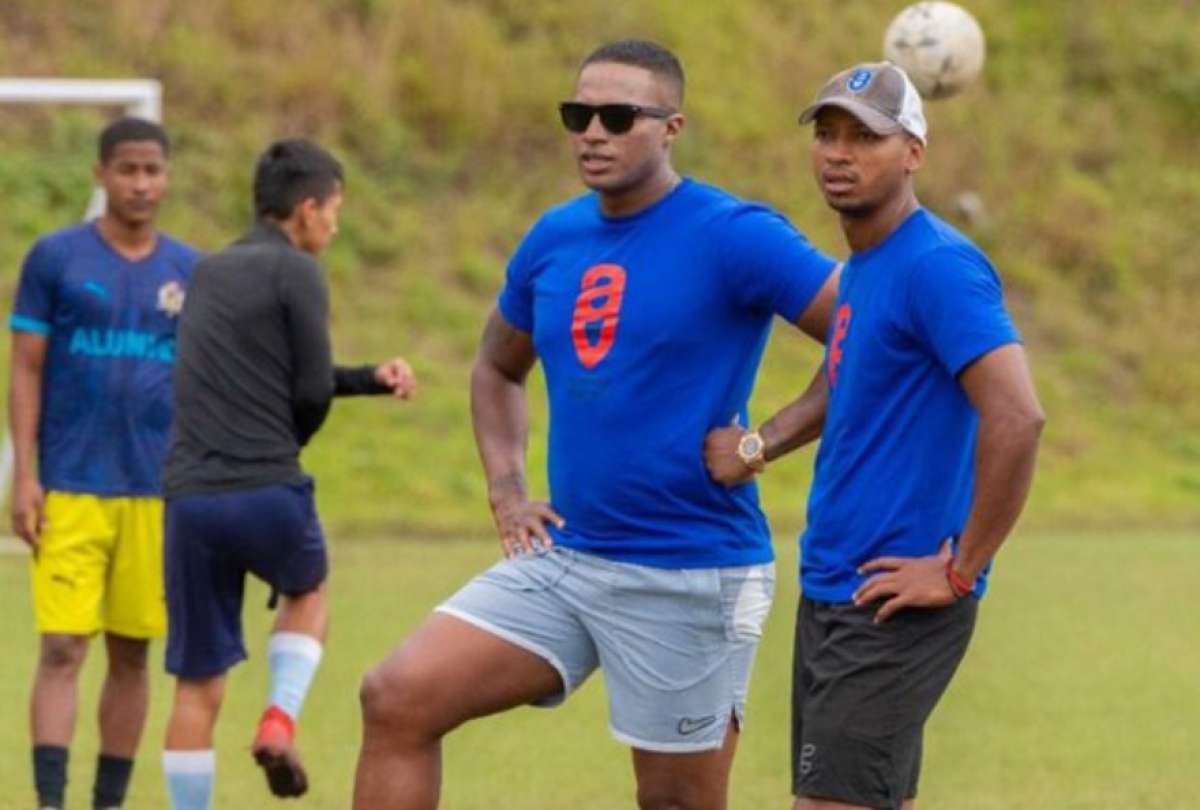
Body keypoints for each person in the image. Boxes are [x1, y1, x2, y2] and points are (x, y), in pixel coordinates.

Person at [352, 39, 839, 810]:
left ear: (671, 127)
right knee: (397, 697)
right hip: (569, 558)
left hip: (689, 571)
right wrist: (508, 489)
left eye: (618, 116)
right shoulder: (555, 236)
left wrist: (763, 441)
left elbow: (870, 335)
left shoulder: (734, 233)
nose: (594, 132)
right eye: (578, 115)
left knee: (673, 802)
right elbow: (496, 367)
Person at [704, 62, 1046, 810]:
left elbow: (1018, 417)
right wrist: (758, 445)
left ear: (913, 152)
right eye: (827, 133)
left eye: (866, 136)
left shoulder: (938, 266)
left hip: (897, 600)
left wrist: (960, 570)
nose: (838, 152)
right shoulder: (866, 266)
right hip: (835, 584)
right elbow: (843, 375)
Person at [158, 138, 417, 809]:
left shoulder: (208, 272)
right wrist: (281, 450)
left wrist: (368, 379)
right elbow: (305, 392)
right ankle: (278, 719)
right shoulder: (299, 273)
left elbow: (262, 380)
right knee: (310, 592)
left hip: (189, 497)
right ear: (306, 210)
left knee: (196, 684)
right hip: (266, 486)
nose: (334, 224)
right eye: (333, 211)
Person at [8, 116, 201, 810]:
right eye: (127, 169)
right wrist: (23, 475)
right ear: (101, 174)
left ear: (167, 176)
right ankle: (51, 802)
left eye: (152, 170)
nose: (141, 183)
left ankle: (106, 804)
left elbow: (206, 383)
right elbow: (25, 368)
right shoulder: (56, 260)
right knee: (62, 646)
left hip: (156, 491)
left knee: (131, 652)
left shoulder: (189, 270)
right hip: (71, 484)